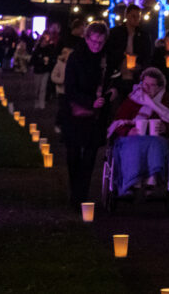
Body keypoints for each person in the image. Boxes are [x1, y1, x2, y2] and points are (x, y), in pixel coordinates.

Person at [107, 67, 169, 197]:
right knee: (134, 144)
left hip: (157, 138)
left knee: (156, 143)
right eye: (145, 84)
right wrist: (127, 131)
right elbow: (118, 122)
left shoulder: (166, 101)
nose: (147, 88)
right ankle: (132, 180)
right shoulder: (133, 99)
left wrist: (166, 128)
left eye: (152, 85)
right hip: (132, 136)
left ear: (160, 87)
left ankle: (152, 180)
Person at [63, 21, 113, 208]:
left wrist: (109, 93)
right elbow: (70, 88)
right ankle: (75, 192)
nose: (96, 46)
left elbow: (111, 81)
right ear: (86, 38)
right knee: (74, 154)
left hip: (95, 116)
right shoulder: (76, 57)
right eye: (93, 41)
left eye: (100, 42)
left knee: (90, 156)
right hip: (76, 113)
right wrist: (89, 101)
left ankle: (81, 194)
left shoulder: (105, 60)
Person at [106, 4, 152, 97]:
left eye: (138, 16)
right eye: (133, 16)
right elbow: (109, 52)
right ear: (126, 16)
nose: (136, 19)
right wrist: (121, 56)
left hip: (136, 78)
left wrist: (140, 66)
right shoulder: (115, 33)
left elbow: (147, 55)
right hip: (117, 76)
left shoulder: (143, 36)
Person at [30, 31, 56, 109]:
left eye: (46, 42)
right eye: (44, 42)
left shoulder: (48, 50)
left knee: (43, 87)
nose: (45, 43)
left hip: (45, 70)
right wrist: (40, 60)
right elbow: (32, 61)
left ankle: (42, 103)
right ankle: (36, 101)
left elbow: (52, 58)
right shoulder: (36, 50)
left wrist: (49, 61)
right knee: (37, 88)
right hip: (38, 71)